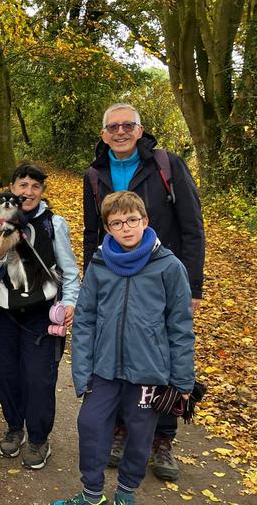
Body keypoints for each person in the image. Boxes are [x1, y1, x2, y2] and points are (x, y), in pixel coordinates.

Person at [83, 103, 204, 480]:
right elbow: (92, 232)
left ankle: (162, 439)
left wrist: (193, 285)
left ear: (140, 130)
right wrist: (94, 276)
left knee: (163, 351)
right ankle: (122, 430)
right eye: (112, 126)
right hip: (114, 276)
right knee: (118, 349)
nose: (120, 131)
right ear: (104, 134)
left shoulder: (166, 166)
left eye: (127, 125)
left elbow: (192, 227)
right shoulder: (95, 173)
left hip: (160, 275)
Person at [54, 191, 195, 505]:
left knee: (140, 435)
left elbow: (181, 327)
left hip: (148, 372)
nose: (126, 228)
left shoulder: (169, 267)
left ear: (145, 221)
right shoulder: (100, 264)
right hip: (103, 370)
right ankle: (91, 494)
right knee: (90, 425)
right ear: (107, 229)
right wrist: (82, 372)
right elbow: (86, 319)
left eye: (132, 220)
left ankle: (126, 493)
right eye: (117, 223)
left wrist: (183, 380)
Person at [0, 163, 80, 470]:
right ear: (12, 187)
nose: (29, 192)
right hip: (3, 313)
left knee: (39, 377)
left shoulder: (54, 224)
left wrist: (71, 302)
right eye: (23, 185)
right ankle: (14, 428)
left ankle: (38, 439)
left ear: (42, 192)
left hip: (42, 313)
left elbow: (70, 271)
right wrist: (0, 249)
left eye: (35, 187)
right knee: (8, 374)